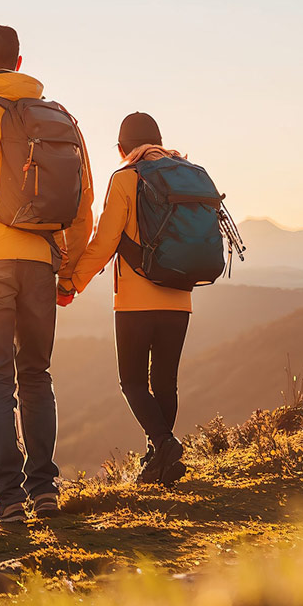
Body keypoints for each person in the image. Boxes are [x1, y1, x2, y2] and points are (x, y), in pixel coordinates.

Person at [0, 24, 95, 523]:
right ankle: (44, 489)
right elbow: (81, 203)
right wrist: (68, 271)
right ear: (21, 61)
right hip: (39, 263)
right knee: (36, 374)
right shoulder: (60, 116)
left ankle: (8, 498)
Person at [65, 112, 194, 485]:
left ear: (122, 149)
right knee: (165, 381)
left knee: (133, 382)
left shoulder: (125, 178)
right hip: (180, 297)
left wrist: (73, 282)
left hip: (137, 301)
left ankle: (164, 446)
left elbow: (106, 241)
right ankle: (161, 463)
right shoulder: (183, 174)